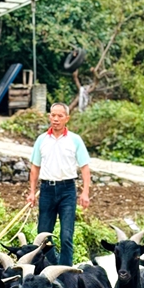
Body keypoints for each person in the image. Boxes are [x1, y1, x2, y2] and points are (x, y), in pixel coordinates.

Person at [25, 102, 91, 266]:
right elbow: (35, 168)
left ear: (66, 118)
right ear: (49, 117)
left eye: (60, 116)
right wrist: (32, 192)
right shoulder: (41, 140)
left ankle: (66, 272)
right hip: (47, 190)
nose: (56, 119)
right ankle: (52, 267)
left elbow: (85, 167)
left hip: (67, 190)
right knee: (43, 235)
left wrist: (85, 193)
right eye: (53, 115)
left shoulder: (75, 140)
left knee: (66, 236)